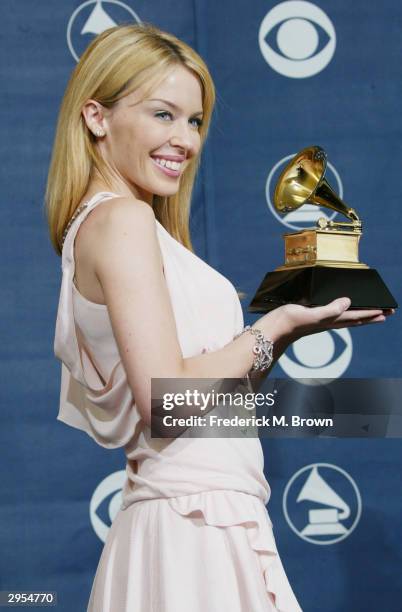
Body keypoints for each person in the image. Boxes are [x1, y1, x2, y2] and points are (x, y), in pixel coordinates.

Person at [45, 22, 394, 612]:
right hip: (193, 530)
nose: (185, 139)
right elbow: (167, 403)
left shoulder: (109, 226)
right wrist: (272, 329)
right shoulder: (122, 223)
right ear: (96, 117)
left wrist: (283, 337)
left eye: (195, 120)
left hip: (192, 521)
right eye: (163, 114)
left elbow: (207, 404)